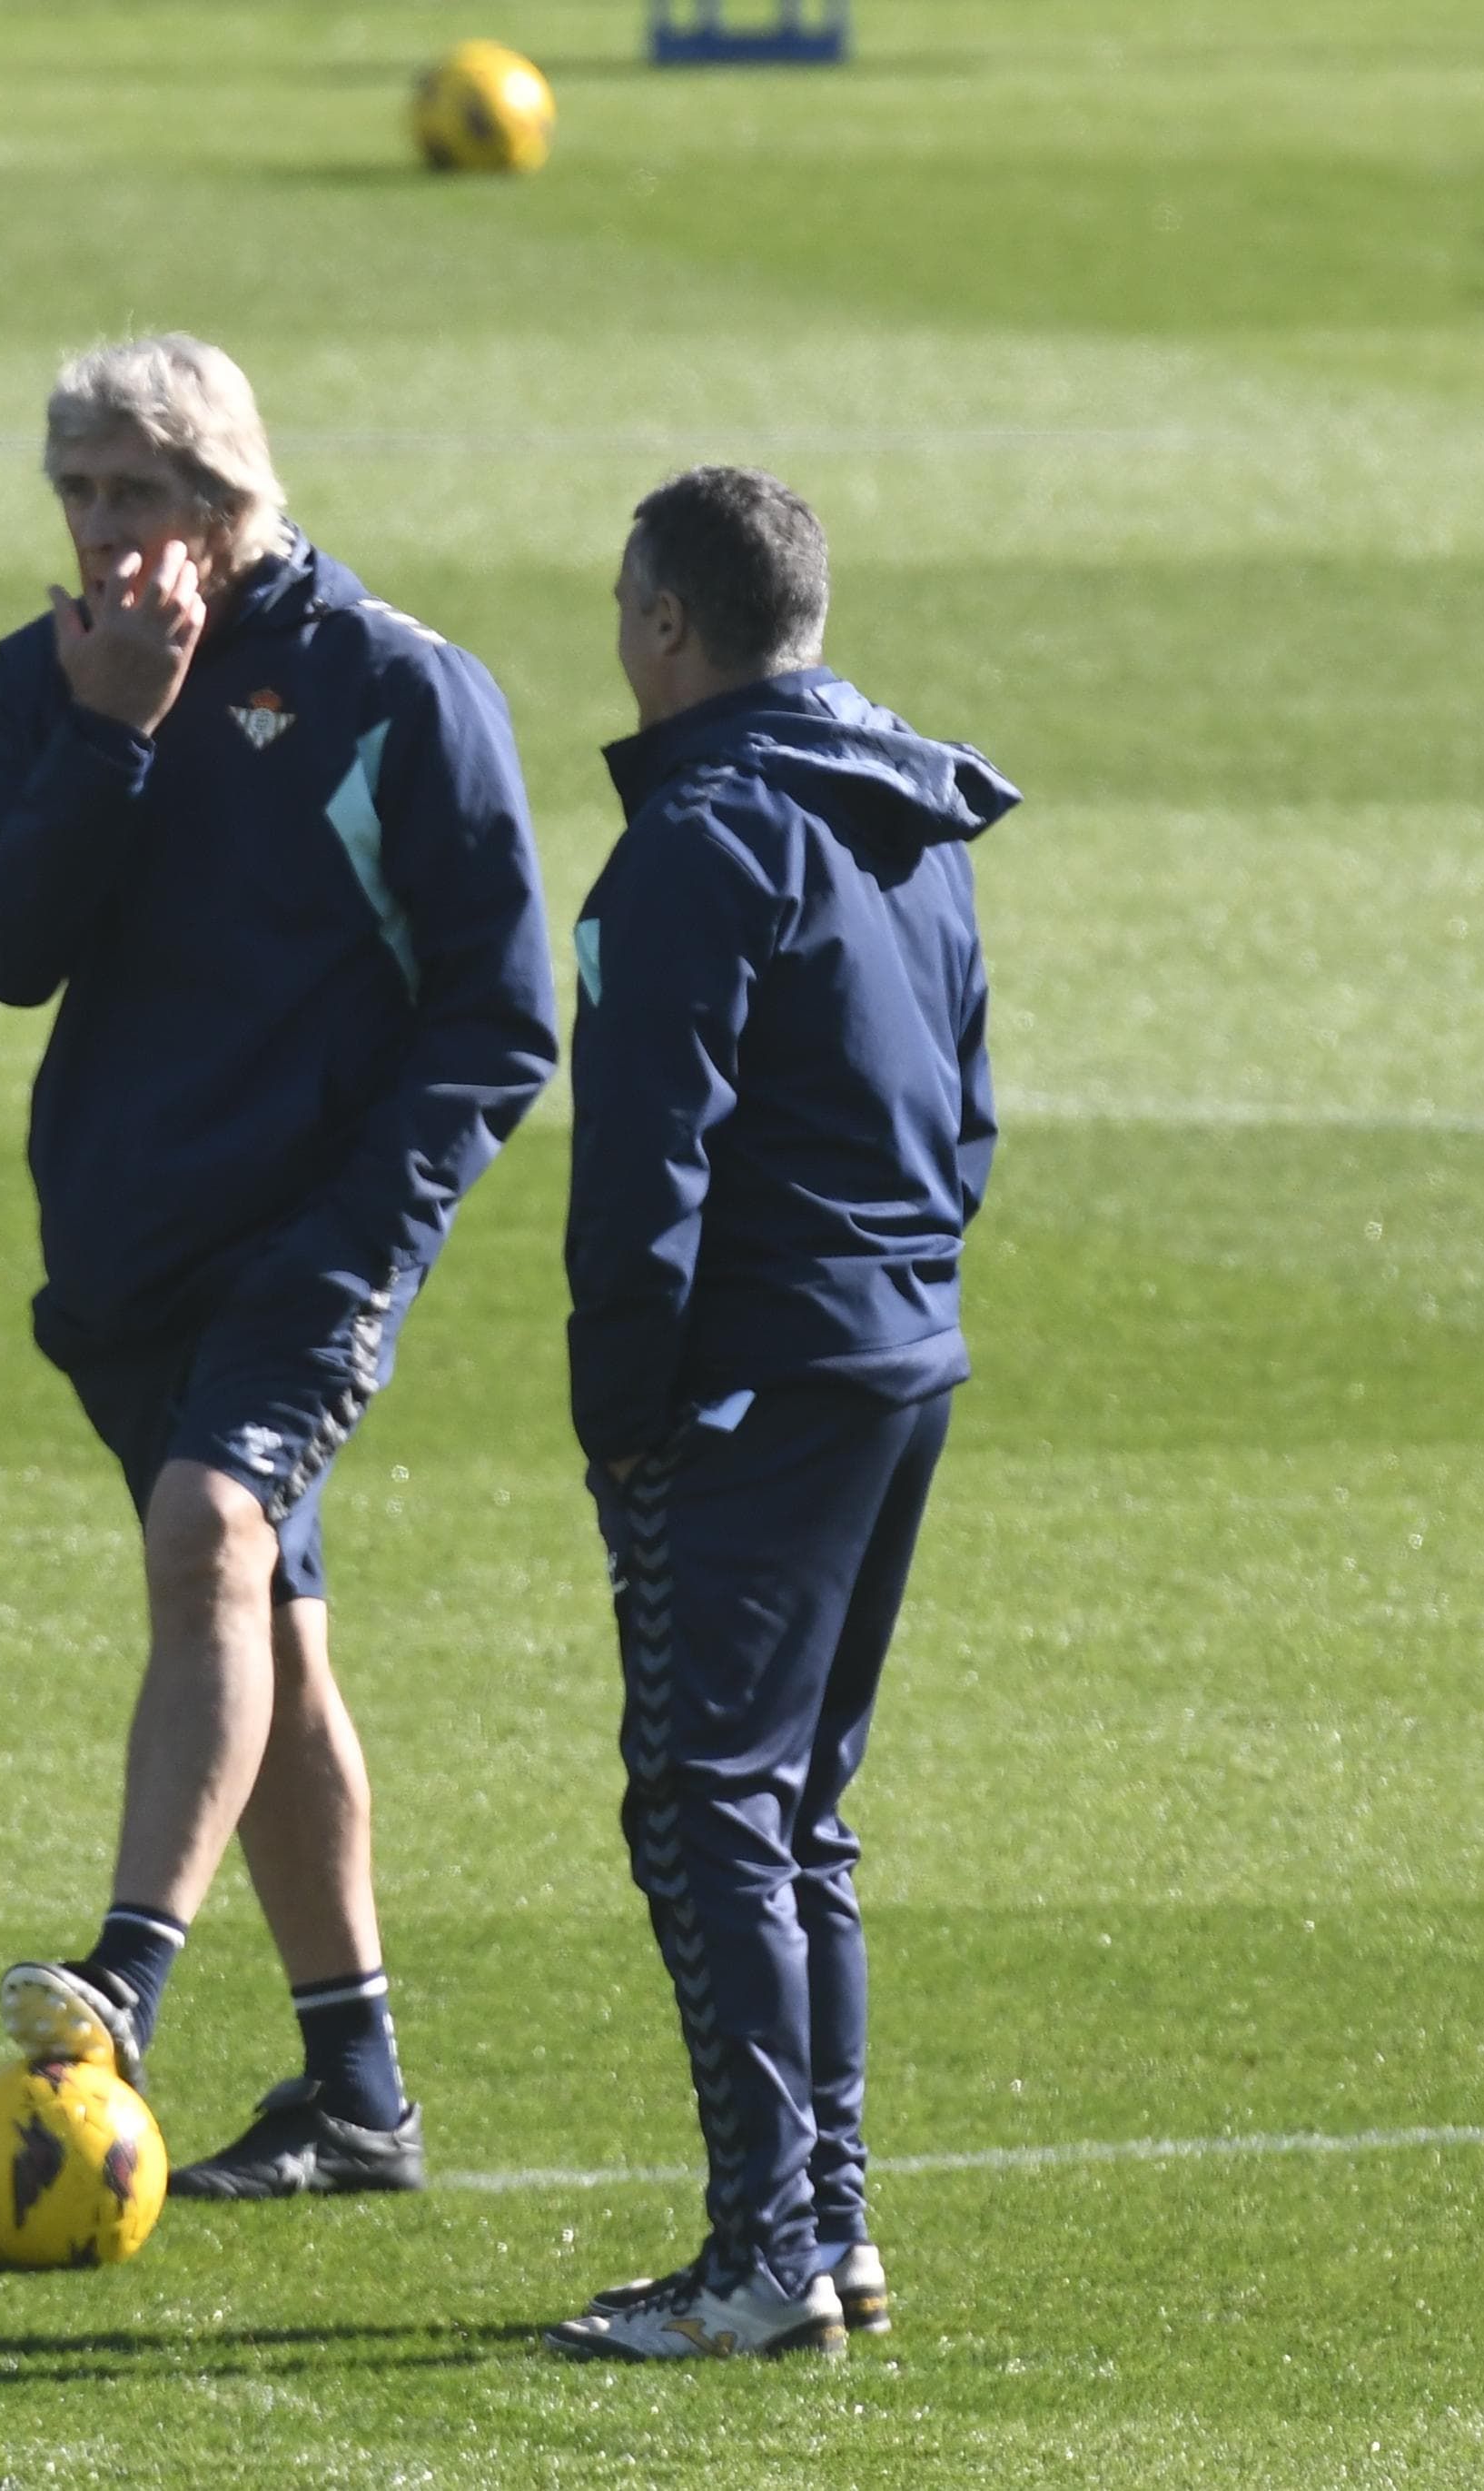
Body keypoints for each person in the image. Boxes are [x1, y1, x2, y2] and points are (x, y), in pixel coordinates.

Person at [0, 336, 556, 2198]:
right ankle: (356, 2092)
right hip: (127, 1241)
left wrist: (370, 1232)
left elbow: (500, 1016)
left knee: (209, 1530)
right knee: (267, 1628)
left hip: (311, 1243)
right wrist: (111, 730)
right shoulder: (48, 680)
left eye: (132, 490)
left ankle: (124, 1977)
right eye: (75, 491)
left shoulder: (391, 688)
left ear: (224, 497)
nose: (97, 527)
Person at [540, 467, 1011, 2361]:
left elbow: (644, 1166)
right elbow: (966, 1115)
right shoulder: (912, 817)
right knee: (797, 1809)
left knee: (708, 1806)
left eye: (622, 605)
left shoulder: (698, 840)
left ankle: (763, 2261)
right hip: (899, 1354)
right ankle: (831, 2226)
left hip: (753, 1379)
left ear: (668, 623)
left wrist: (623, 1407)